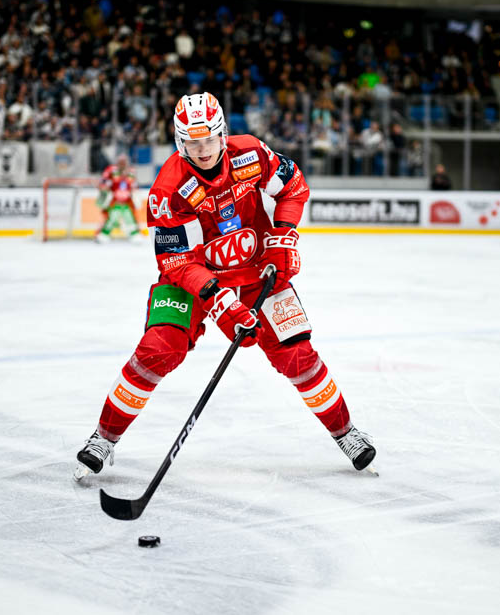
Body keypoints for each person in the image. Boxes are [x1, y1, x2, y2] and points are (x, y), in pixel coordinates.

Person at [75, 92, 376, 479]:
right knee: (157, 350)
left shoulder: (251, 152)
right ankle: (104, 437)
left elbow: (293, 186)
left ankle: (346, 432)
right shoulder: (169, 189)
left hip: (255, 270)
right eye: (192, 143)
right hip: (192, 280)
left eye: (208, 140)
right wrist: (218, 300)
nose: (202, 150)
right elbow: (177, 261)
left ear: (222, 134)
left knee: (297, 354)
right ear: (180, 143)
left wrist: (283, 236)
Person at [95, 154, 141, 242]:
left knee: (130, 218)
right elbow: (103, 182)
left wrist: (135, 194)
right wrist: (103, 188)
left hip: (127, 202)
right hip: (114, 201)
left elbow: (134, 185)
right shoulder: (111, 170)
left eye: (124, 162)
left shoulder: (131, 172)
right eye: (121, 162)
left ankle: (135, 235)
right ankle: (104, 234)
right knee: (111, 218)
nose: (122, 164)